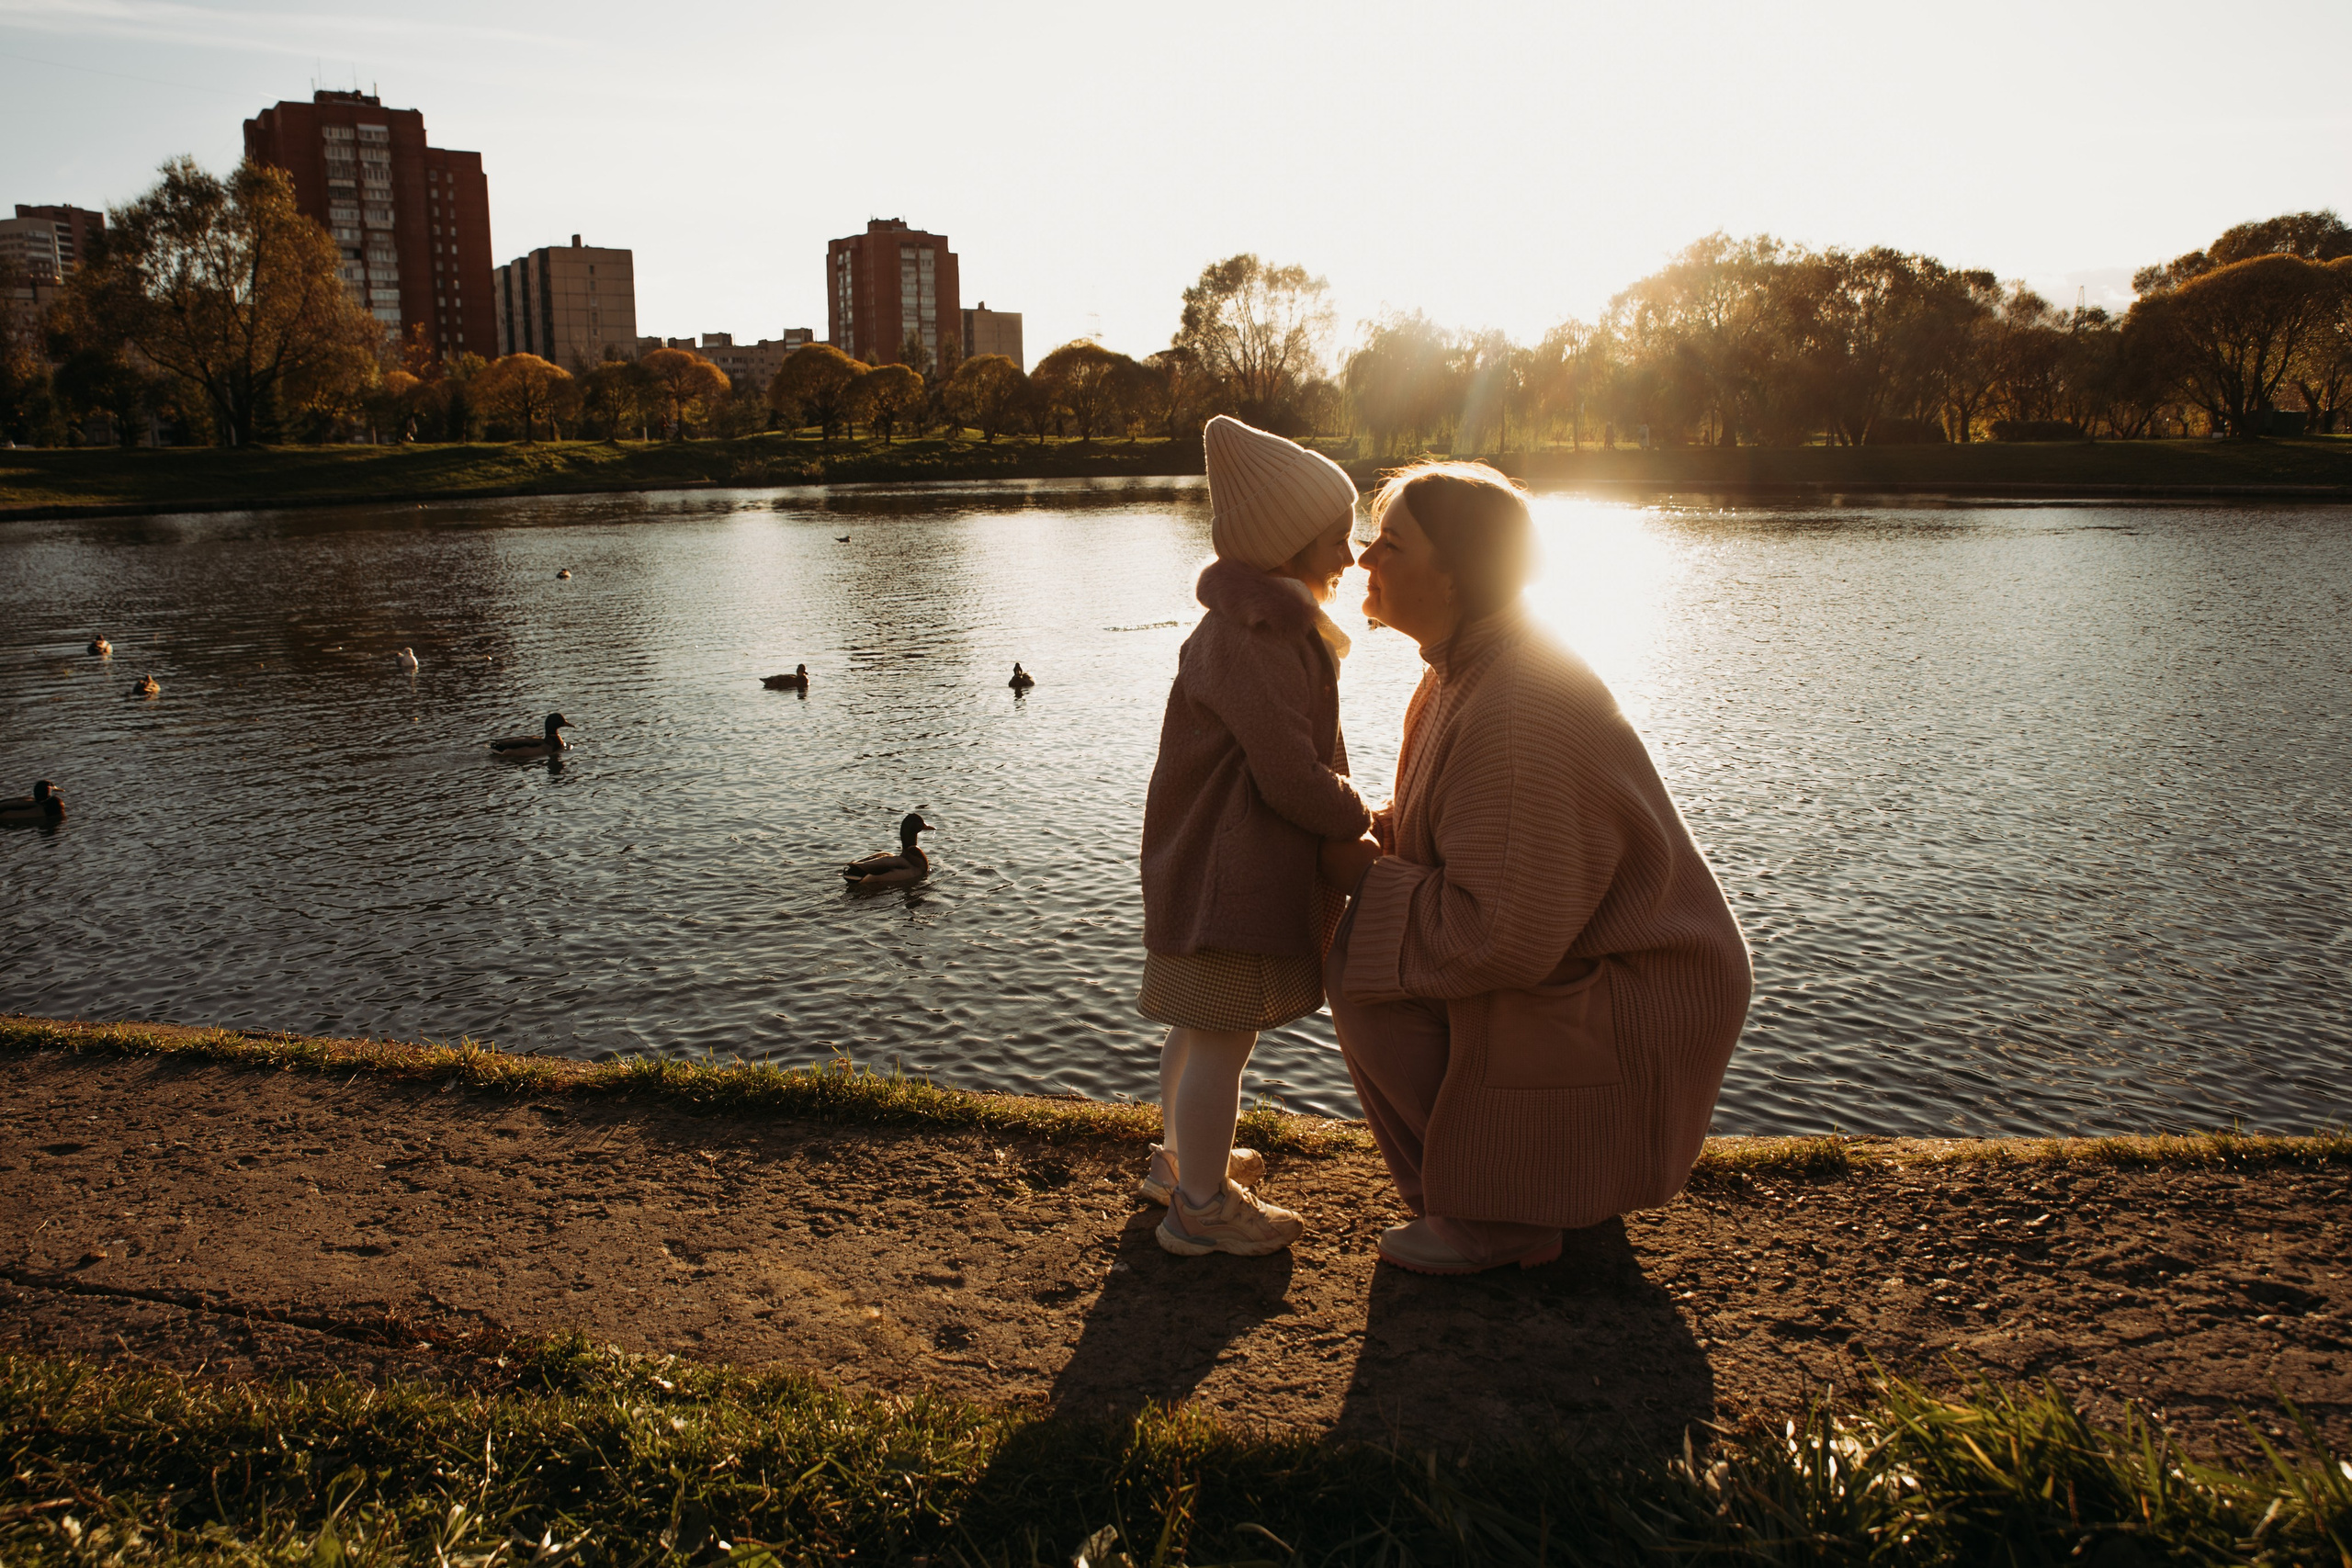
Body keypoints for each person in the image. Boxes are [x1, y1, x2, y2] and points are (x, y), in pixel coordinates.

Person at [1319, 462, 1751, 1275]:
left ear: (1454, 574)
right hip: (1590, 959)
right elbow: (1448, 845)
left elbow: (1499, 934)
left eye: (1392, 543)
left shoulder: (1516, 697)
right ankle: (1482, 1195)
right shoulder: (1464, 667)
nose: (1365, 557)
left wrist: (1359, 875)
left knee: (1366, 969)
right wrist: (1358, 829)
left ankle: (1503, 1220)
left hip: (1646, 992)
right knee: (1365, 953)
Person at [1137, 415, 1372, 1258]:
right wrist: (1361, 817)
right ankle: (1200, 1205)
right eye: (1335, 538)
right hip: (1227, 873)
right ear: (1286, 545)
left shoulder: (1250, 626)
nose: (1350, 554)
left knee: (1199, 1027)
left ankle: (1177, 1161)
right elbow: (1288, 774)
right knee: (1223, 1042)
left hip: (1199, 862)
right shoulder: (1262, 638)